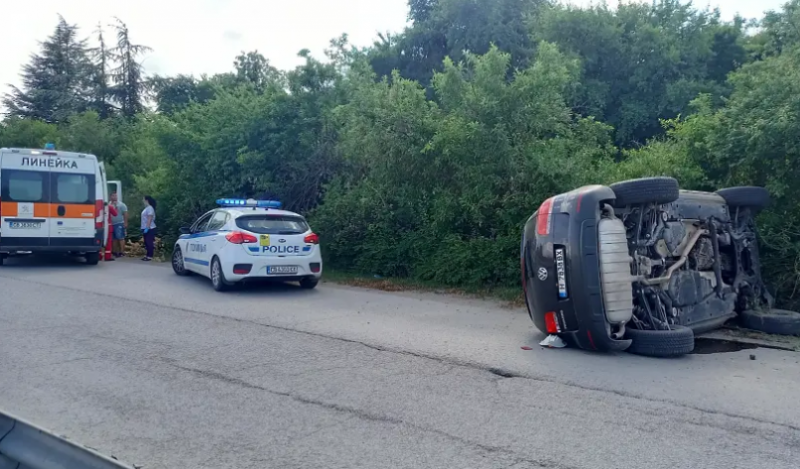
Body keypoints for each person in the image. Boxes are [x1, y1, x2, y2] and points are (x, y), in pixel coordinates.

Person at [110, 192, 128, 258]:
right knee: (114, 239)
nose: (115, 197)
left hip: (119, 223)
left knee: (120, 238)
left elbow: (125, 214)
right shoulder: (109, 204)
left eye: (115, 196)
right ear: (110, 197)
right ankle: (115, 252)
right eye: (113, 196)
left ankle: (122, 252)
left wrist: (125, 223)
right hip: (111, 224)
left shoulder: (121, 205)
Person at [141, 196, 157, 261]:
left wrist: (147, 227)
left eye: (143, 199)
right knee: (146, 242)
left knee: (149, 242)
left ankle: (150, 256)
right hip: (144, 227)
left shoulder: (150, 208)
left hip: (150, 228)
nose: (143, 201)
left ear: (146, 200)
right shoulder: (146, 208)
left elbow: (149, 218)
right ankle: (147, 255)